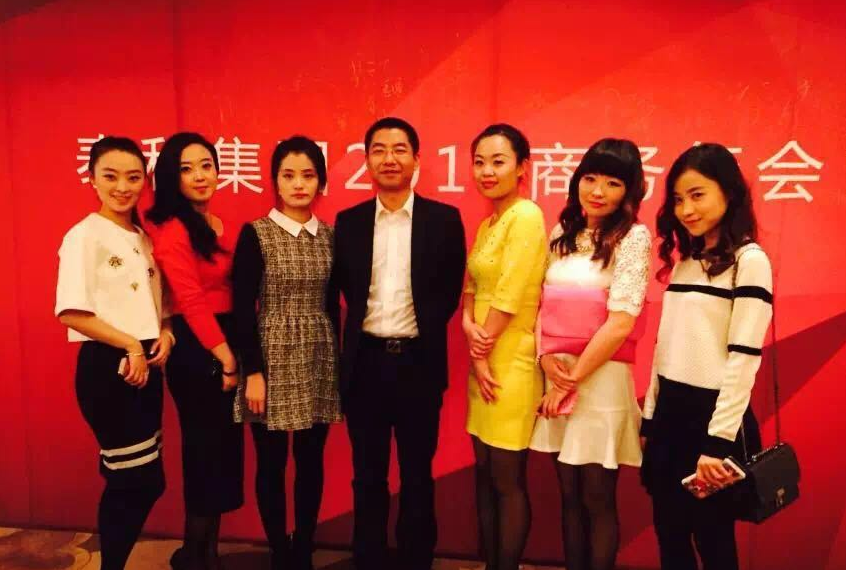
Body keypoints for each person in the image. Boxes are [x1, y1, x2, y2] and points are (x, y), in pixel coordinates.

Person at [331, 117, 466, 570]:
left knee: (417, 475)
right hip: (365, 365)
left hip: (417, 365)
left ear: (416, 159)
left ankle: (415, 559)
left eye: (399, 149)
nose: (389, 159)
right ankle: (367, 559)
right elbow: (342, 292)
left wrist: (416, 335)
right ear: (367, 160)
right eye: (379, 150)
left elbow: (448, 293)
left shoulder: (444, 220)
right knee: (367, 476)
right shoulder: (349, 222)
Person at [641, 143, 771, 570]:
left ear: (728, 193)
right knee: (670, 537)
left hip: (713, 421)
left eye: (697, 195)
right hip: (669, 417)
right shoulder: (687, 261)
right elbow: (665, 348)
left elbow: (743, 359)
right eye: (678, 199)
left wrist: (717, 443)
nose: (686, 209)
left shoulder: (750, 261)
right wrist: (650, 418)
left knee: (714, 541)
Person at [530, 138, 651, 570]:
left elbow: (621, 322)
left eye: (613, 183)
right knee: (568, 495)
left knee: (597, 497)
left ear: (630, 191)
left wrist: (571, 379)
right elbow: (539, 305)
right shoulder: (562, 233)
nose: (598, 191)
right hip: (556, 374)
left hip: (600, 381)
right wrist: (545, 358)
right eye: (590, 178)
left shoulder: (633, 237)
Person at [56, 136, 173, 569]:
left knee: (145, 479)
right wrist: (129, 345)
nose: (122, 186)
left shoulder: (143, 238)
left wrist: (166, 333)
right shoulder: (84, 235)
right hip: (109, 367)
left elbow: (160, 307)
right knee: (133, 480)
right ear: (92, 179)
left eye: (133, 177)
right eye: (111, 176)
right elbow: (71, 312)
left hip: (147, 364)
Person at [231, 135, 342, 570]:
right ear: (275, 181)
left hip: (318, 354)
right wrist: (253, 372)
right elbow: (242, 308)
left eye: (308, 175)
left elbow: (332, 304)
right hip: (270, 355)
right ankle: (279, 549)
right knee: (272, 463)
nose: (298, 184)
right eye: (288, 175)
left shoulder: (329, 236)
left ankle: (304, 546)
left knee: (311, 460)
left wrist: (338, 364)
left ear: (321, 182)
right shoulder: (256, 233)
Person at [146, 132, 244, 570]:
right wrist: (226, 358)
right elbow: (189, 300)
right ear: (172, 178)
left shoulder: (217, 224)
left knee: (220, 454)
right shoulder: (173, 230)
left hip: (223, 341)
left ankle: (206, 554)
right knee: (204, 454)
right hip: (199, 349)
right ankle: (194, 556)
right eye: (187, 169)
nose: (200, 175)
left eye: (206, 165)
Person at [463, 124, 547, 570]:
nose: (487, 171)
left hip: (511, 361)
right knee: (484, 473)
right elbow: (472, 287)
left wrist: (480, 351)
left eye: (498, 161)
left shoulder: (526, 216)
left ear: (522, 168)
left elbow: (511, 294)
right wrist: (467, 326)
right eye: (479, 162)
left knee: (507, 478)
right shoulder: (488, 223)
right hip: (481, 356)